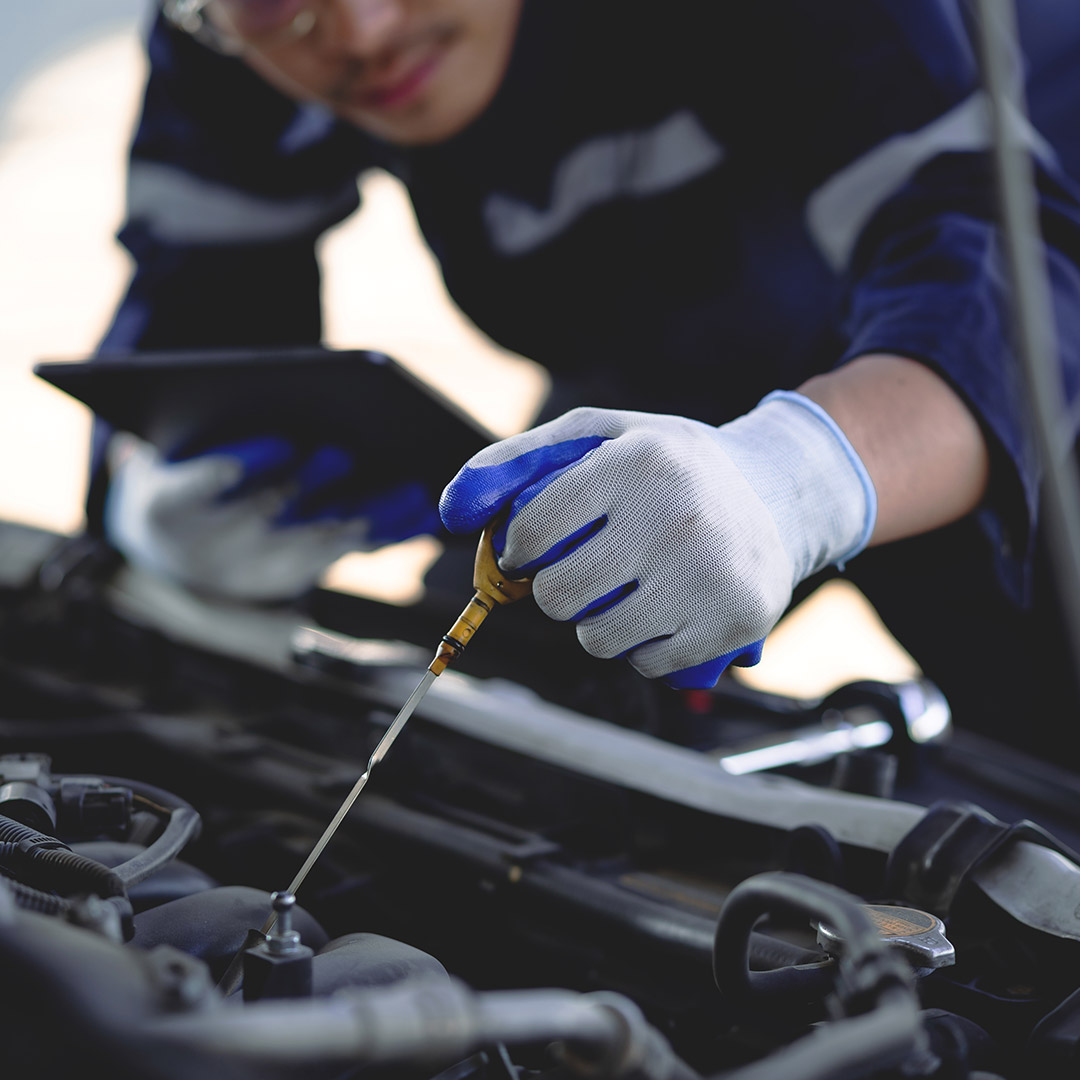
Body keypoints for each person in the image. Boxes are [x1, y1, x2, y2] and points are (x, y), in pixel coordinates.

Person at [95, 0, 1080, 751]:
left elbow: (1002, 257)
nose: (363, 34)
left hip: (1006, 326)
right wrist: (155, 493)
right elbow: (195, 304)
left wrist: (798, 482)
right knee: (508, 711)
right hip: (674, 339)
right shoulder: (229, 34)